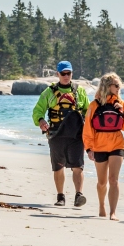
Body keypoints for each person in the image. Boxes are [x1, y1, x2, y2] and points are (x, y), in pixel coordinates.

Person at [31, 61, 89, 207]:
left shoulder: (79, 91)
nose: (65, 76)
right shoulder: (49, 92)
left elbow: (88, 112)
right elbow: (38, 110)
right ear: (57, 74)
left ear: (72, 74)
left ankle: (78, 195)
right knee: (58, 167)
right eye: (63, 73)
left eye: (68, 73)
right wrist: (41, 121)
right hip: (56, 135)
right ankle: (61, 197)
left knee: (78, 166)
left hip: (76, 136)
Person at [81, 72, 124, 219]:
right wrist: (89, 148)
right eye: (116, 85)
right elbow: (88, 129)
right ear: (107, 86)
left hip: (117, 144)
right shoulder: (94, 105)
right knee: (102, 182)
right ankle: (101, 205)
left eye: (119, 85)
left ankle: (113, 212)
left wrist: (122, 112)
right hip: (99, 146)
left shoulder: (121, 104)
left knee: (113, 179)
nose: (119, 88)